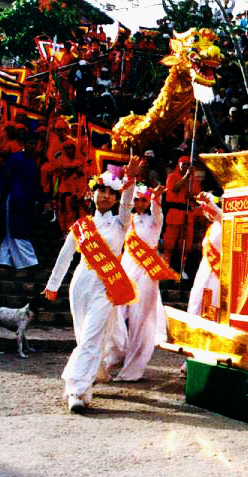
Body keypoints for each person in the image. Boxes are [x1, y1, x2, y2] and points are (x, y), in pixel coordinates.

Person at [43, 158, 139, 413]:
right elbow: (65, 257)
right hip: (81, 282)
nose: (106, 196)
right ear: (92, 193)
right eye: (101, 191)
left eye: (111, 193)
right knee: (84, 335)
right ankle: (86, 386)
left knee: (92, 335)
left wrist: (130, 182)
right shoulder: (82, 226)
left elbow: (128, 203)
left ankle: (75, 389)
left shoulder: (120, 222)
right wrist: (53, 285)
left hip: (106, 285)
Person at [106, 184, 177, 381]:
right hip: (127, 271)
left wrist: (156, 198)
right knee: (115, 313)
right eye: (136, 200)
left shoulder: (155, 221)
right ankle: (114, 355)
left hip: (146, 275)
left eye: (143, 200)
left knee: (140, 322)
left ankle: (132, 370)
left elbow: (157, 211)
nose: (139, 203)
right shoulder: (127, 220)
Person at [0, 132, 41, 269]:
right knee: (17, 230)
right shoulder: (15, 158)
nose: (32, 146)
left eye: (35, 144)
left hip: (26, 201)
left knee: (12, 230)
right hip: (13, 200)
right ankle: (30, 262)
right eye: (30, 143)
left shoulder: (33, 163)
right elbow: (5, 178)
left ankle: (4, 260)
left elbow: (35, 184)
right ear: (24, 144)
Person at [163, 156, 201, 278]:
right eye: (183, 164)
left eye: (187, 164)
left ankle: (182, 270)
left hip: (187, 213)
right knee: (169, 244)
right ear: (179, 164)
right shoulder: (172, 177)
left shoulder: (193, 180)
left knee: (185, 245)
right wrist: (186, 176)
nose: (185, 167)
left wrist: (193, 198)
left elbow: (196, 197)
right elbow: (174, 189)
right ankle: (165, 268)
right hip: (174, 212)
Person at [187, 191, 223, 318]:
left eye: (208, 209)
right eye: (205, 210)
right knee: (197, 299)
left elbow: (219, 215)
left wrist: (210, 203)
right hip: (205, 270)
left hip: (218, 273)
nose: (207, 213)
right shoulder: (214, 226)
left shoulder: (226, 222)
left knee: (212, 303)